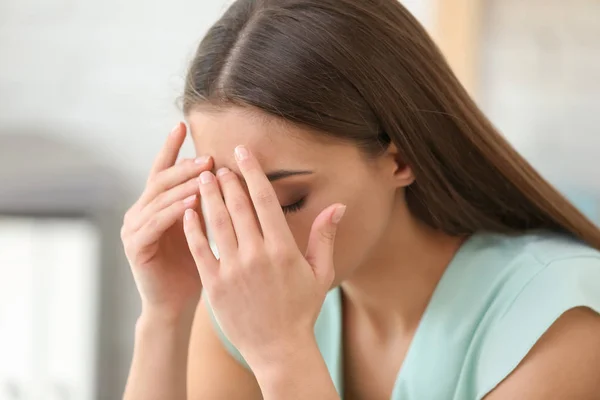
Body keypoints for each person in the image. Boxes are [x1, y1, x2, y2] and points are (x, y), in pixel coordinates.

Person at [121, 0, 600, 399]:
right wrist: (165, 313)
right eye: (228, 198)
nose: (256, 243)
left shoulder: (557, 325)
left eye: (287, 200)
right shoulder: (245, 308)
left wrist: (282, 355)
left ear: (401, 158)